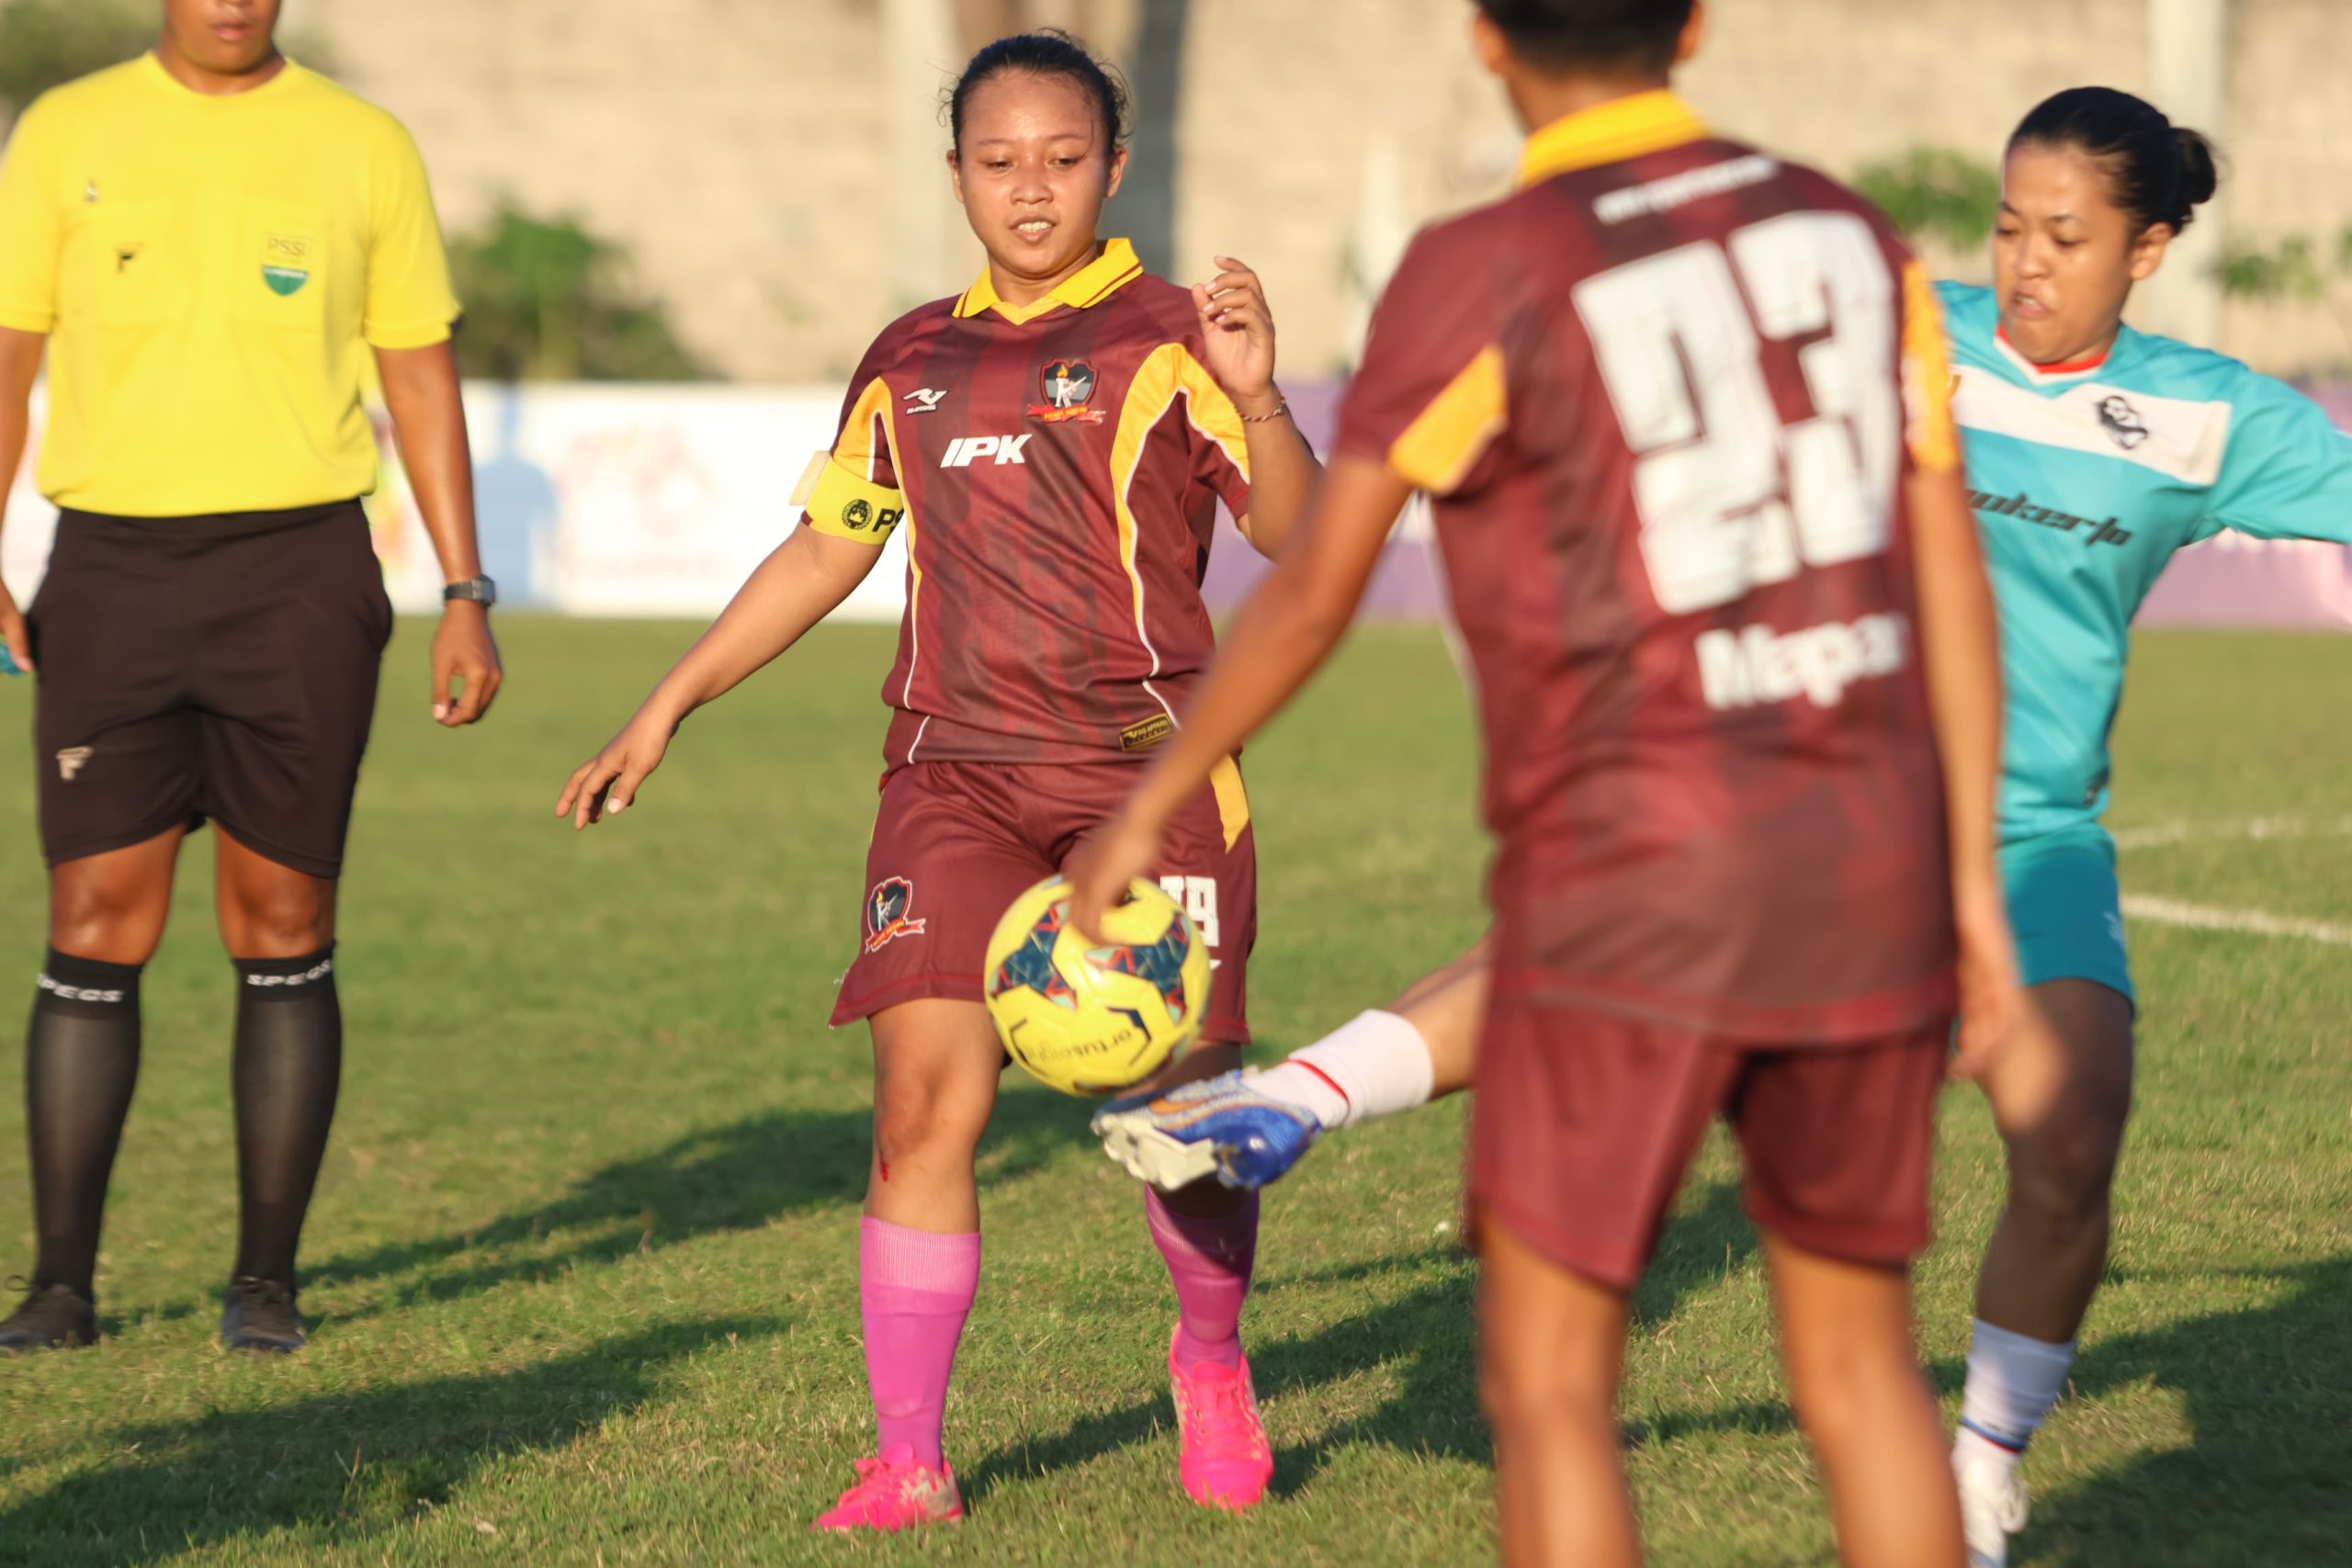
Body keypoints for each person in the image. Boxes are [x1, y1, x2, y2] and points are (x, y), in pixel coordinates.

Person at [1096, 77, 2352, 1568]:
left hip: (2028, 839)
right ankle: (1290, 1100)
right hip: (1800, 789)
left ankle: (1986, 1463)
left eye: (2068, 238)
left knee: (2070, 1134)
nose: (2025, 263)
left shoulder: (2213, 420)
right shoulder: (1886, 316)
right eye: (2010, 226)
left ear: (2146, 253)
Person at [1067, 0, 2023, 1561]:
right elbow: (1947, 574)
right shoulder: (1847, 234)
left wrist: (1140, 801)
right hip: (1864, 860)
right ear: (1699, 26)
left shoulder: (1484, 267)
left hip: (1626, 875)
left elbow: (1313, 591)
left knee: (1553, 1384)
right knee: (1859, 1370)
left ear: (1484, 35)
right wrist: (1972, 888)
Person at [554, 30, 1317, 1533]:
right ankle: (911, 1460)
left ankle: (1212, 1361)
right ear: (956, 171)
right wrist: (669, 705)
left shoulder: (1179, 334)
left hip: (1145, 786)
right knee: (918, 1110)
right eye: (997, 160)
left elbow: (1299, 532)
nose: (1031, 189)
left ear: (1114, 162)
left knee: (1186, 1112)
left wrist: (1265, 395)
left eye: (1063, 158)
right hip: (950, 779)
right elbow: (834, 541)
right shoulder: (911, 355)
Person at [0, 0, 499, 1356]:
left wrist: (464, 587)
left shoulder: (361, 143)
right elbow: (9, 355)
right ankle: (59, 1287)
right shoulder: (66, 130)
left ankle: (264, 1282)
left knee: (281, 917)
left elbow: (419, 368)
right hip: (109, 574)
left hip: (299, 576)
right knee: (98, 911)